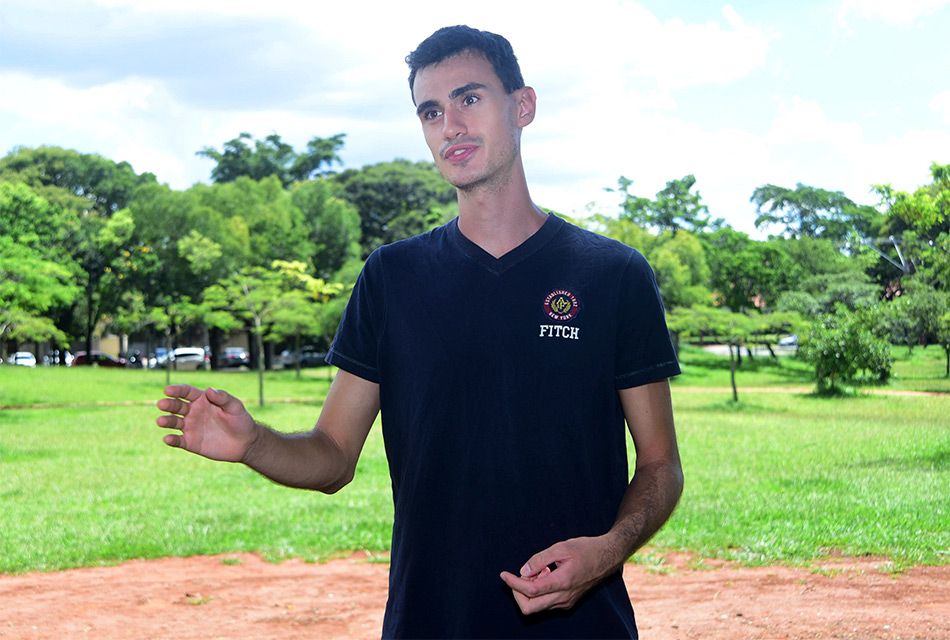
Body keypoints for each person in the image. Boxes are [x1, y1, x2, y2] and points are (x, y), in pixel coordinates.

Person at [156, 25, 683, 639]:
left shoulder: (613, 274)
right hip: (430, 622)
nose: (450, 126)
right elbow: (331, 457)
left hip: (586, 628)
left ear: (523, 106)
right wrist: (254, 443)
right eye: (430, 111)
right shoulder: (391, 277)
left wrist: (608, 550)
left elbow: (661, 464)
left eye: (469, 98)